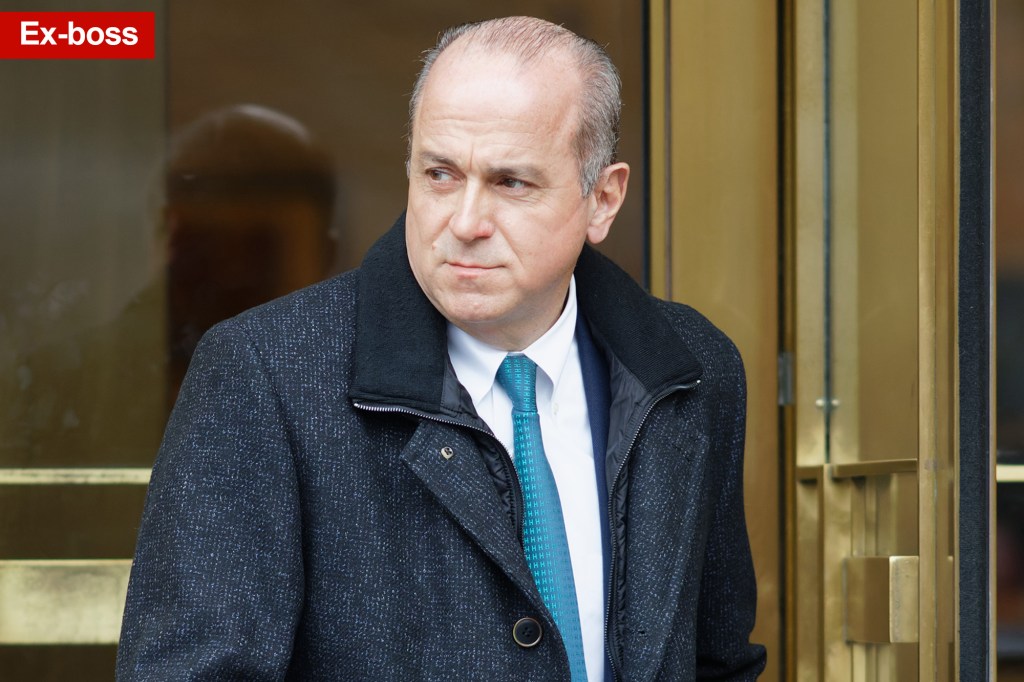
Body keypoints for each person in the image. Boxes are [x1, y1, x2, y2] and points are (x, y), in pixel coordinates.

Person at [117, 16, 766, 681]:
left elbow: (716, 660)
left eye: (512, 183)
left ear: (603, 199)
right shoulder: (266, 374)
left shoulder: (693, 371)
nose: (464, 223)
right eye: (441, 174)